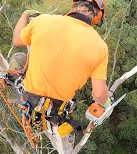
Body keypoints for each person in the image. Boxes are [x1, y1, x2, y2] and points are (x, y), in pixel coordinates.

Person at [12, 0, 110, 137]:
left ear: (73, 6)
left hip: (28, 102)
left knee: (18, 58)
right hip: (57, 112)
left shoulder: (43, 21)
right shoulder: (101, 47)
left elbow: (17, 40)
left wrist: (25, 14)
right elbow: (99, 94)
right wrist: (106, 103)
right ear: (98, 16)